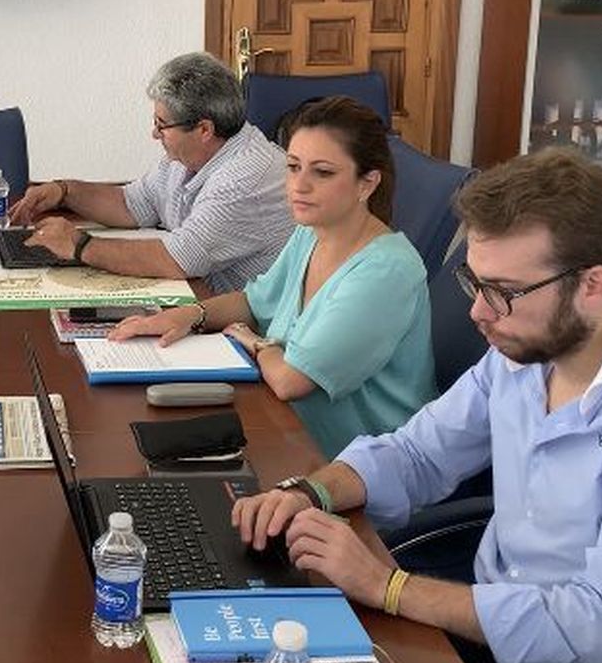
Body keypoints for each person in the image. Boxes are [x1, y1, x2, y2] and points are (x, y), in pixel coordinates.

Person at [229, 148, 602, 663]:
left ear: (593, 285)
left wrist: (387, 587)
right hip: (492, 628)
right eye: (474, 282)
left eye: (502, 292)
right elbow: (417, 454)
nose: (478, 311)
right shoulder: (523, 354)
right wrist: (312, 490)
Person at [110, 96, 433, 457]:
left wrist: (257, 344)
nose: (300, 185)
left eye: (322, 172)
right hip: (288, 430)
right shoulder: (313, 230)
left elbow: (291, 380)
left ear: (366, 184)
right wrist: (188, 316)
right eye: (293, 167)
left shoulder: (385, 273)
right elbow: (252, 301)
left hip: (353, 466)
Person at [8, 51, 292, 293]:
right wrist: (63, 192)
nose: (154, 134)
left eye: (161, 124)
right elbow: (132, 204)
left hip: (249, 328)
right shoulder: (187, 157)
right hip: (198, 298)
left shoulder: (245, 177)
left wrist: (79, 246)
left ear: (204, 129)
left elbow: (176, 259)